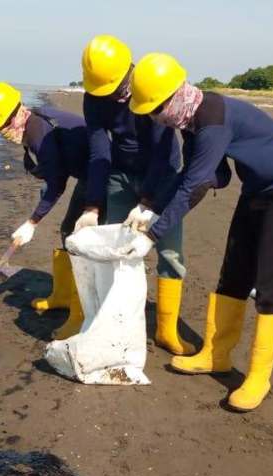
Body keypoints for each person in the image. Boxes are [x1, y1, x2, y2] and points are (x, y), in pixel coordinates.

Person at [124, 53, 273, 412]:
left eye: (156, 108)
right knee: (233, 276)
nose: (154, 117)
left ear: (175, 95)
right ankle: (216, 354)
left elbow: (195, 186)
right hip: (255, 190)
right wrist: (150, 207)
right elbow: (216, 176)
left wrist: (152, 235)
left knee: (270, 287)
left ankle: (258, 376)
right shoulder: (192, 119)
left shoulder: (211, 121)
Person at [74, 35, 193, 355]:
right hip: (120, 173)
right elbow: (99, 151)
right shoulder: (94, 96)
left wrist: (147, 203)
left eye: (114, 88)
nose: (110, 96)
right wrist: (92, 205)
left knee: (168, 252)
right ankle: (121, 318)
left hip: (163, 174)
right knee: (118, 249)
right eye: (103, 91)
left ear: (128, 71)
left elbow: (163, 153)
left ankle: (167, 330)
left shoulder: (152, 86)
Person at [0, 82, 103, 339]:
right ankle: (62, 295)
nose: (1, 133)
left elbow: (57, 184)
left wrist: (32, 222)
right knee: (69, 229)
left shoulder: (37, 130)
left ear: (14, 116)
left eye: (2, 127)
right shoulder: (32, 121)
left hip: (102, 172)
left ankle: (82, 315)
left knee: (86, 242)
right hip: (86, 173)